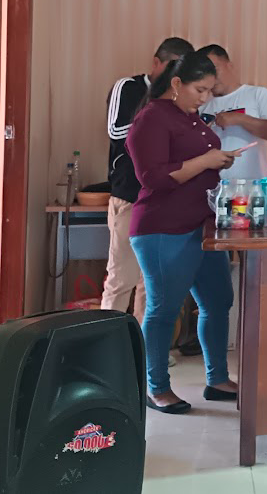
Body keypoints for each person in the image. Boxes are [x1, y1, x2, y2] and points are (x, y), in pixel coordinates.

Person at [127, 51, 243, 414]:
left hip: (201, 226)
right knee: (163, 310)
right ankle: (156, 388)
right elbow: (153, 178)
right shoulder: (152, 118)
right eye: (199, 89)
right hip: (163, 227)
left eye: (210, 91)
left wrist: (217, 161)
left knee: (218, 302)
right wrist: (206, 161)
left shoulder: (188, 117)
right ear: (176, 83)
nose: (205, 98)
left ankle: (217, 378)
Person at [102, 37, 193, 330]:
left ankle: (144, 348)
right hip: (130, 196)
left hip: (166, 200)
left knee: (152, 284)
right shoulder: (128, 87)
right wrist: (159, 118)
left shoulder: (181, 98)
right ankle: (104, 346)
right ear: (156, 63)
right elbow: (116, 131)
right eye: (171, 67)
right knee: (121, 279)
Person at [197, 44, 267, 180]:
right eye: (204, 73)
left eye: (214, 69)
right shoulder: (200, 104)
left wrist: (240, 119)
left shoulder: (257, 94)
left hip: (252, 187)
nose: (211, 77)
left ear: (230, 66)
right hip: (211, 187)